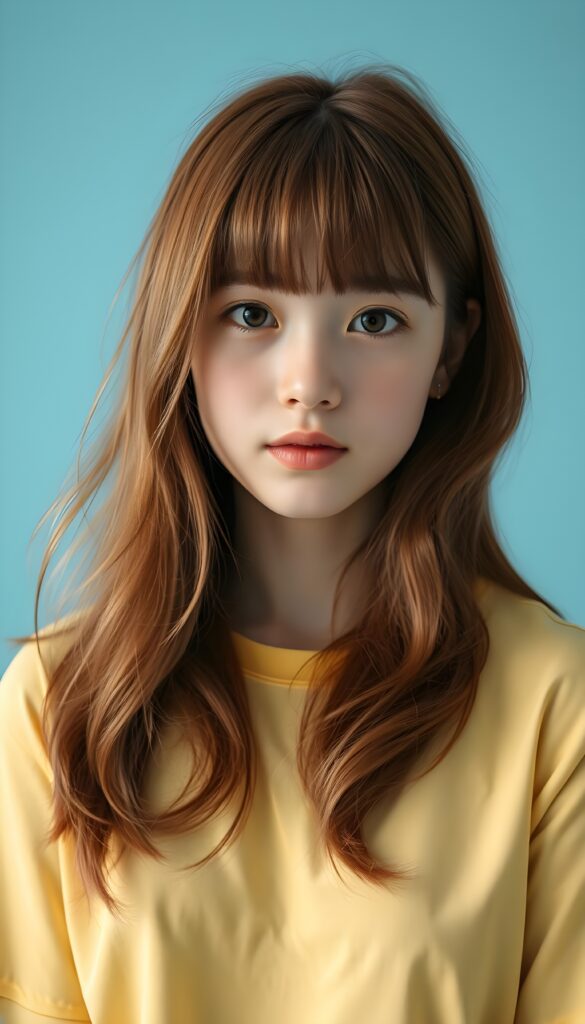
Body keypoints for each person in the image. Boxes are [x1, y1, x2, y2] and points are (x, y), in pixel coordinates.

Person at [1, 64, 583, 1024]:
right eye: (250, 314)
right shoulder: (58, 707)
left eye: (373, 320)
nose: (308, 380)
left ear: (451, 349)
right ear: (179, 333)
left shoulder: (551, 703)